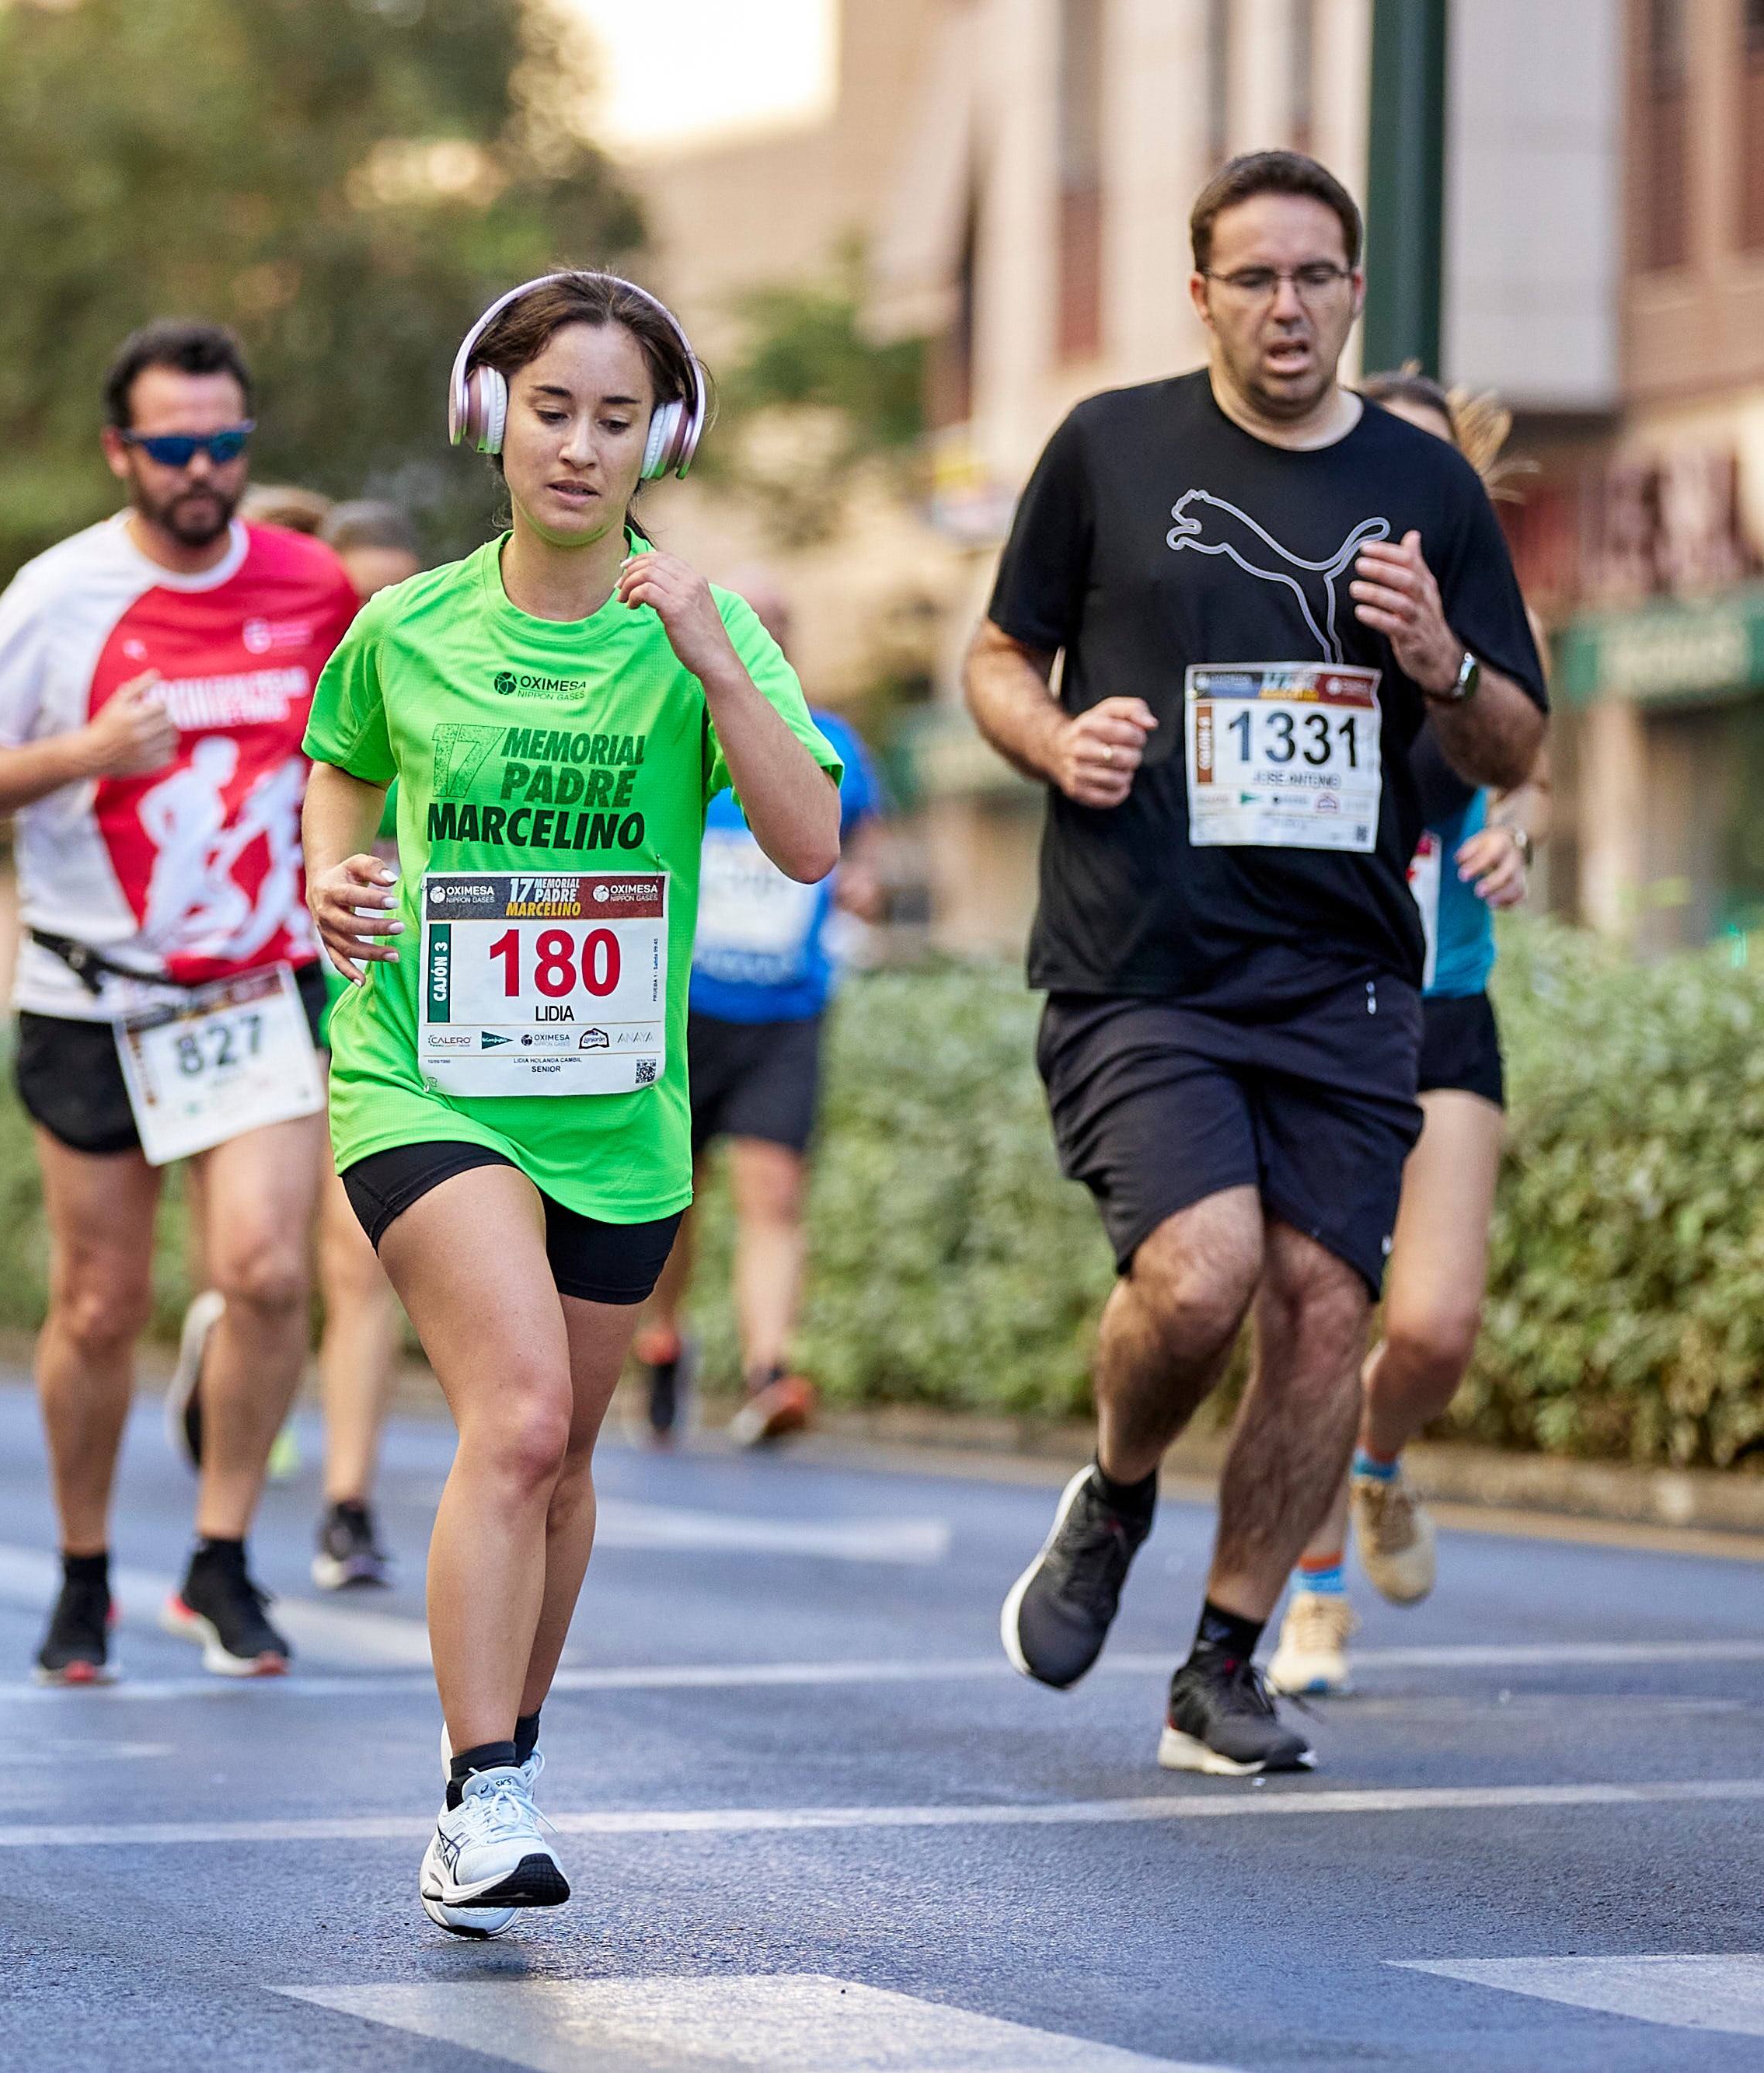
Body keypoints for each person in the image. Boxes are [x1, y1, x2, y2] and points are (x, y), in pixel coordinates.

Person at [964, 153, 1546, 1776]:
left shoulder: (1427, 495)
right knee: (1201, 1272)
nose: (1283, 306)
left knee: (1315, 1300)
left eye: (1313, 277)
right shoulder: (1108, 446)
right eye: (1251, 277)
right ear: (1200, 291)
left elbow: (1514, 727)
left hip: (1344, 970)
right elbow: (996, 652)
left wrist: (1438, 659)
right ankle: (1115, 1486)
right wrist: (1048, 736)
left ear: (1352, 293)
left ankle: (1223, 1656)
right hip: (1138, 957)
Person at [305, 271, 840, 1935]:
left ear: (659, 439)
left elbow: (810, 839)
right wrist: (335, 885)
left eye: (617, 417)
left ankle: (508, 1754)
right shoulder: (405, 626)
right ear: (491, 415)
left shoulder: (709, 628)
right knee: (518, 1411)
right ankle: (481, 1795)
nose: (579, 445)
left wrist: (714, 662)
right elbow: (336, 768)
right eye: (551, 409)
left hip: (613, 1098)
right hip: (420, 1069)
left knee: (563, 1455)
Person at [0, 320, 360, 1682]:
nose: (201, 470)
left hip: (253, 985)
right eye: (173, 447)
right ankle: (82, 1568)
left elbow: (374, 753)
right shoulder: (59, 595)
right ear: (122, 451)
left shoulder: (314, 587)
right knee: (101, 1303)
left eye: (225, 444)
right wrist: (88, 752)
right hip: (92, 992)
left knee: (268, 1272)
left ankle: (224, 1558)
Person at [1270, 370, 1546, 1697]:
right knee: (1321, 1310)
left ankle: (1376, 1460)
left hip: (1443, 1009)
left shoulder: (1483, 620)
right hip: (1317, 1010)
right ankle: (1313, 1593)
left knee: (1430, 1325)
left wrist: (1517, 827)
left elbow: (1527, 763)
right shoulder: (1297, 611)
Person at [628, 580, 884, 1447]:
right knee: (674, 1198)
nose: (758, 640)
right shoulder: (675, 727)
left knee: (773, 1193)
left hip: (785, 1010)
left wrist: (863, 886)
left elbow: (863, 853)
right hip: (683, 1006)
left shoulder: (832, 743)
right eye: (748, 625)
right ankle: (662, 1341)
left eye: (775, 629)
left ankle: (767, 1369)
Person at [305, 498, 427, 1591]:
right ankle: (230, 1341)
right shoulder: (288, 670)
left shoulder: (430, 661)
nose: (371, 603)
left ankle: (347, 1496)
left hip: (383, 968)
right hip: (253, 970)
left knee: (356, 1257)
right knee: (251, 1259)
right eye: (351, 585)